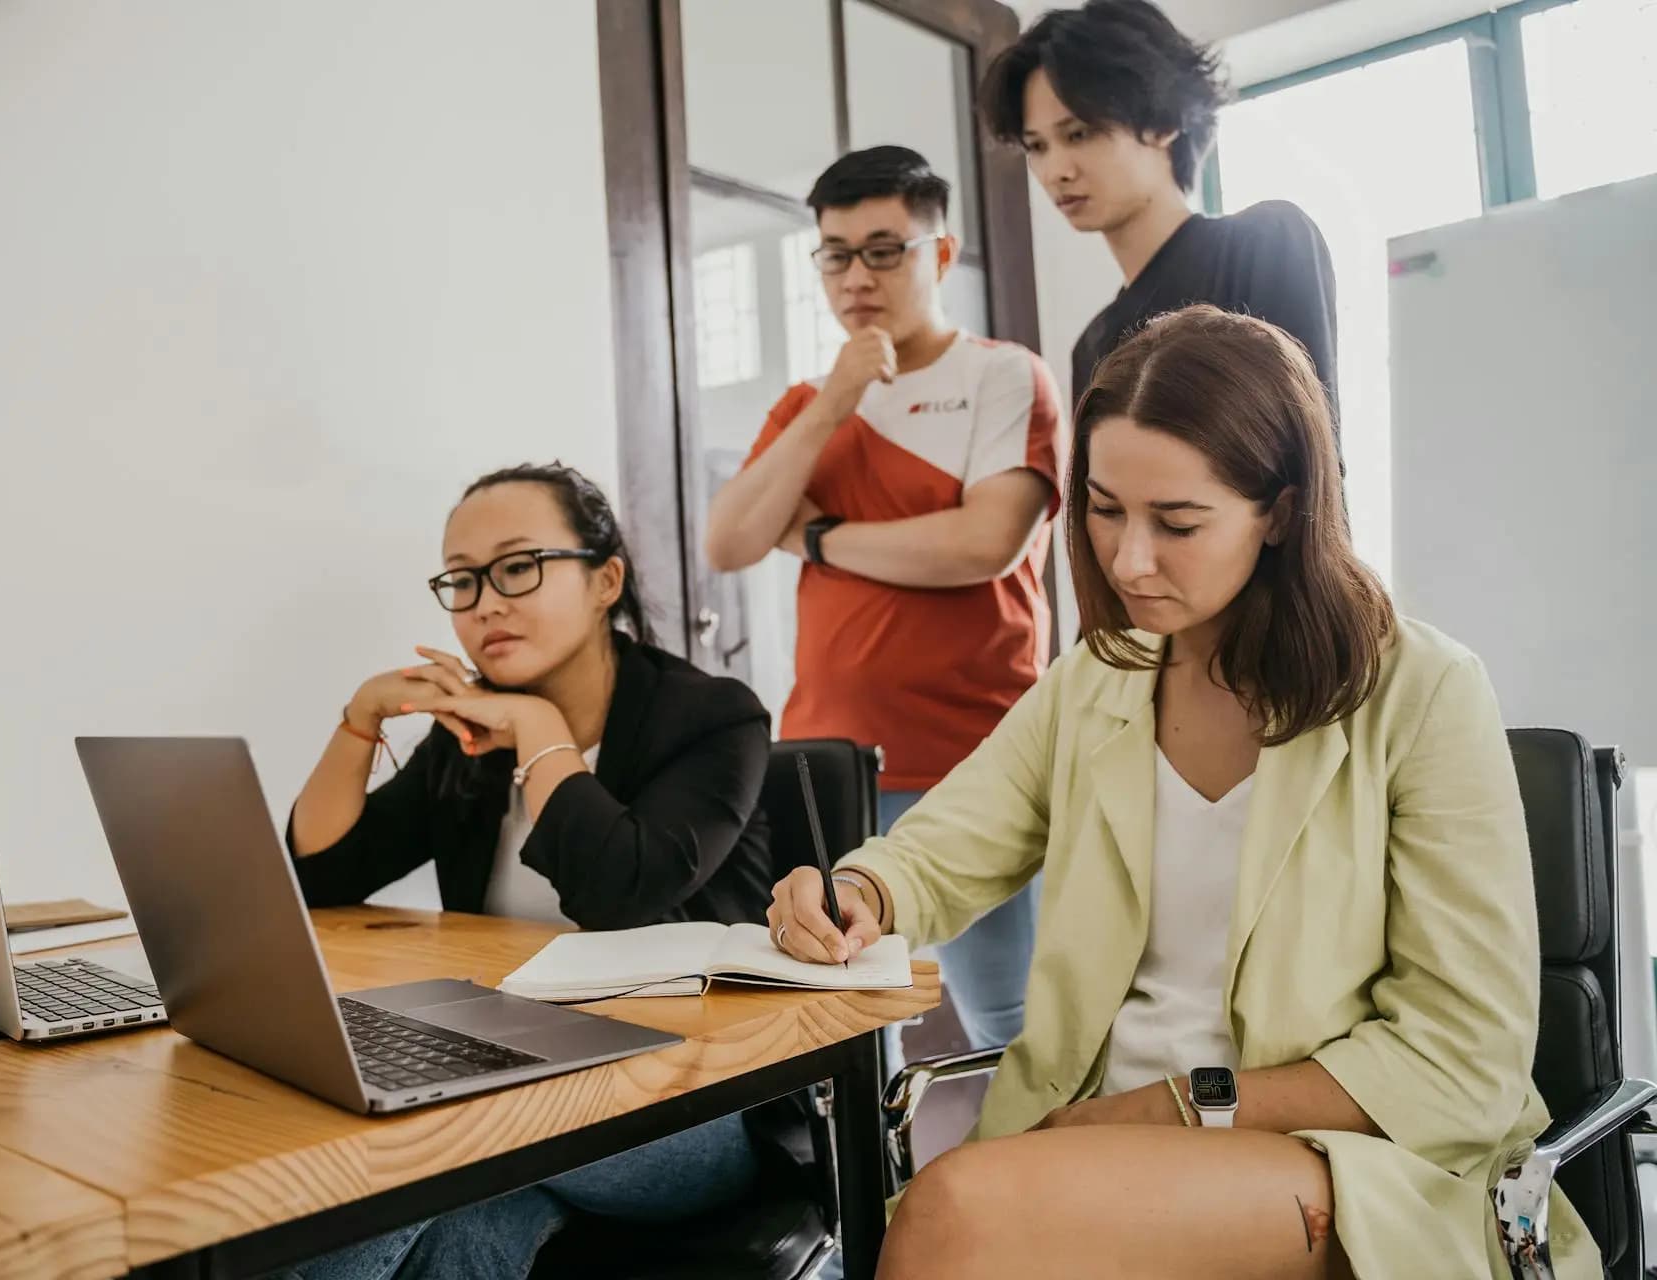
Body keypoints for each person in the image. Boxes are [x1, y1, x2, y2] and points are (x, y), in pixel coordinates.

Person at [765, 306, 1602, 1279]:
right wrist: (859, 895)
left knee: (955, 1210)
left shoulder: (1420, 690)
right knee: (966, 1213)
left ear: (1283, 510)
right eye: (1106, 507)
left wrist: (1167, 1106)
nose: (1127, 560)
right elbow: (944, 844)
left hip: (1355, 1160)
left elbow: (1462, 1055)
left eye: (1178, 521)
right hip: (1095, 1144)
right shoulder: (1096, 681)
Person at [286, 462, 780, 1279]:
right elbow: (325, 876)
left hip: (692, 1095)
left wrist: (538, 726)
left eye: (518, 567)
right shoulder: (468, 738)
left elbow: (621, 892)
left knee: (405, 1154)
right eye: (464, 580)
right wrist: (360, 719)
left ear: (604, 580)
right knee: (468, 1231)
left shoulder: (713, 718)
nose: (486, 602)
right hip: (511, 1075)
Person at [704, 145, 1062, 1066]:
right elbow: (730, 541)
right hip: (834, 758)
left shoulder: (1003, 375)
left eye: (884, 249)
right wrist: (834, 401)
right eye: (835, 254)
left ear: (938, 256)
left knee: (1013, 1030)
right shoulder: (808, 404)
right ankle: (885, 1207)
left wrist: (820, 538)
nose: (857, 276)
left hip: (981, 755)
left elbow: (984, 546)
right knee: (851, 1029)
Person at [982, 0, 1339, 414]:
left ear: (1164, 121)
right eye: (1037, 146)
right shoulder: (1094, 343)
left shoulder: (1264, 244)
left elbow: (1316, 457)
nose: (1054, 171)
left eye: (1079, 134)